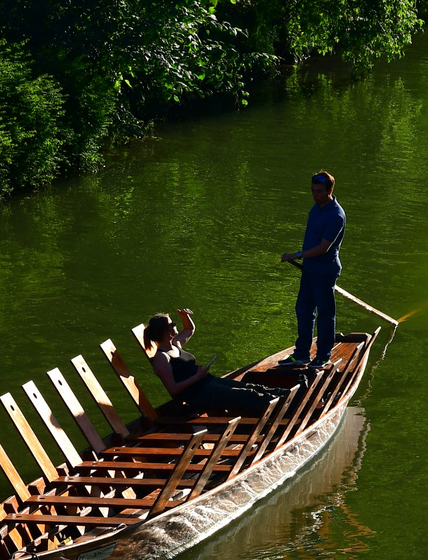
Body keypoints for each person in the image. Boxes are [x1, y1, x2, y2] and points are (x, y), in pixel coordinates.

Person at [143, 310, 284, 416]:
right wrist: (197, 377)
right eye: (172, 323)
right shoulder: (162, 358)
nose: (175, 324)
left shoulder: (176, 344)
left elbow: (189, 329)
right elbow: (173, 389)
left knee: (252, 388)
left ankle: (289, 395)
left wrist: (185, 317)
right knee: (248, 395)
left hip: (207, 383)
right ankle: (285, 407)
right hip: (198, 395)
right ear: (165, 332)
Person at [278, 170, 346, 367]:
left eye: (319, 191)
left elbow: (324, 247)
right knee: (303, 311)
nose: (315, 195)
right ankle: (301, 354)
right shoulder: (315, 209)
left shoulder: (336, 215)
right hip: (310, 270)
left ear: (330, 190)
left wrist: (296, 255)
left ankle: (323, 355)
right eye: (313, 191)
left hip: (325, 272)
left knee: (325, 315)